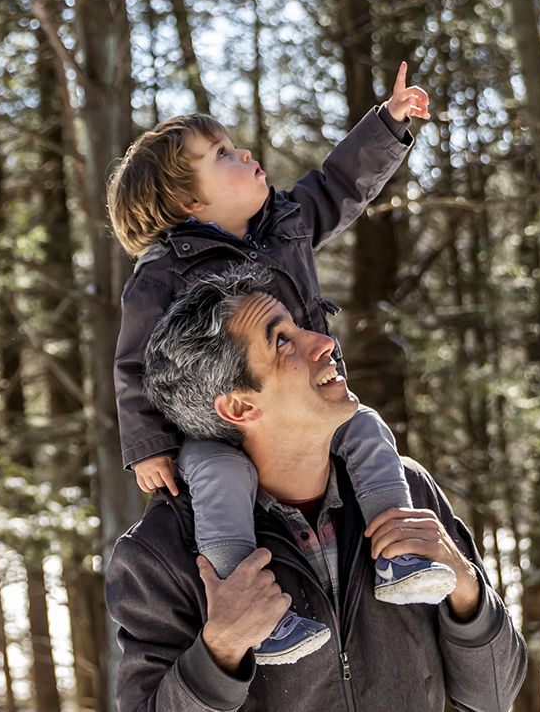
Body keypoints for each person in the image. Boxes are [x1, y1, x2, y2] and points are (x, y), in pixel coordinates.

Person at [107, 62, 452, 665]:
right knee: (218, 477)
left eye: (234, 144)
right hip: (218, 427)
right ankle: (257, 612)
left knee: (368, 430)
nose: (245, 154)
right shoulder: (161, 275)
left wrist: (388, 125)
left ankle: (398, 551)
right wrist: (148, 445)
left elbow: (342, 183)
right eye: (222, 155)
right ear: (191, 202)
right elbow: (134, 363)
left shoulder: (286, 224)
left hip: (304, 406)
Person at [107, 263, 526, 711]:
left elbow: (492, 696)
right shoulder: (162, 552)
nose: (326, 342)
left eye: (300, 327)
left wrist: (467, 588)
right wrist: (220, 650)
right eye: (281, 340)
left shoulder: (408, 490)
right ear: (239, 405)